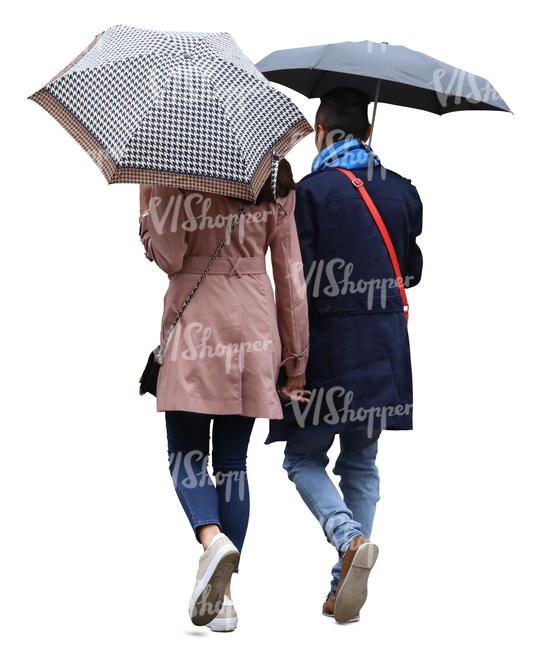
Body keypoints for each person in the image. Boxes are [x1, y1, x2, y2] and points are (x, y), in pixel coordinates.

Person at [268, 87, 423, 623]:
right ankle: (344, 581)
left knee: (303, 457)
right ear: (369, 131)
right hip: (383, 351)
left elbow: (296, 283)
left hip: (327, 353)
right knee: (362, 460)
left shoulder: (309, 194)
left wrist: (290, 363)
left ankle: (347, 537)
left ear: (321, 130)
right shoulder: (403, 192)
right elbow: (412, 271)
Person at [138, 161, 309, 632]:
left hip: (196, 324)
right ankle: (226, 600)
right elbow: (291, 278)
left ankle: (212, 540)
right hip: (255, 324)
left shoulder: (176, 168)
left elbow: (169, 257)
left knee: (185, 454)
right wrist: (296, 361)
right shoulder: (275, 176)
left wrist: (146, 205)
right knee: (232, 462)